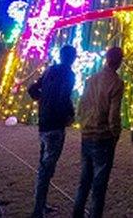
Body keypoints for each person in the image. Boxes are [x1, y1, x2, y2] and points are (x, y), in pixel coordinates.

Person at [73, 47, 124, 218]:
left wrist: (84, 124)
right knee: (99, 186)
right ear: (119, 61)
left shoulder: (91, 79)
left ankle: (77, 214)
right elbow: (113, 115)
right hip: (102, 138)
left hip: (86, 135)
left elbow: (81, 106)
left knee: (84, 181)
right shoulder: (116, 83)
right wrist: (115, 134)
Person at [28, 45, 77, 218]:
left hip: (44, 124)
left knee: (45, 165)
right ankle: (37, 210)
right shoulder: (69, 74)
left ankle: (41, 205)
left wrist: (43, 101)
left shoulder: (50, 70)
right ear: (72, 58)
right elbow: (64, 98)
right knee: (46, 168)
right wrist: (69, 115)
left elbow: (32, 89)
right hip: (55, 126)